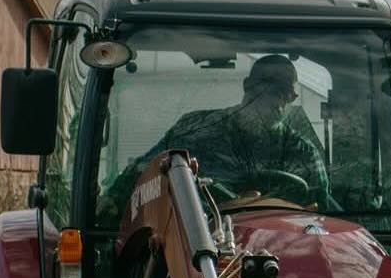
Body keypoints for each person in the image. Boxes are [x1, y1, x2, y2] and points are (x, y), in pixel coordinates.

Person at [120, 53, 332, 214]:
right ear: (247, 86)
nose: (278, 103)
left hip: (283, 252)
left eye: (288, 96)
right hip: (195, 245)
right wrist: (112, 200)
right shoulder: (194, 131)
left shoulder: (303, 153)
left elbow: (324, 215)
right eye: (272, 91)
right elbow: (143, 173)